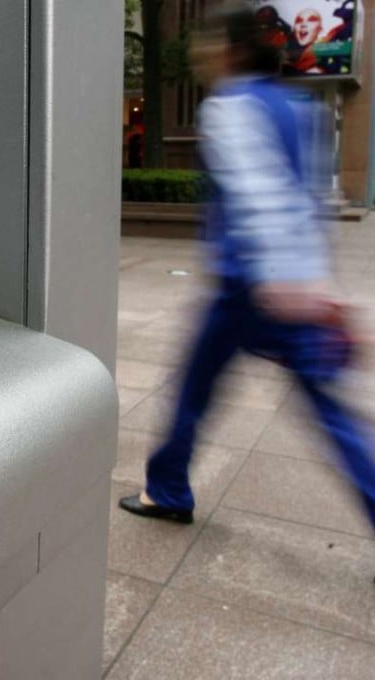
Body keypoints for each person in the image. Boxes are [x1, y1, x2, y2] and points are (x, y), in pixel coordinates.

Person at [119, 5, 375, 536]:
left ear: (231, 50)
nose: (200, 54)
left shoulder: (231, 106)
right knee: (325, 411)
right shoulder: (295, 106)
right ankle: (167, 486)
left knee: (193, 391)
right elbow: (308, 197)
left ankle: (167, 490)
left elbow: (264, 195)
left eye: (207, 44)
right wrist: (318, 284)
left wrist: (282, 281)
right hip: (285, 282)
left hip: (250, 286)